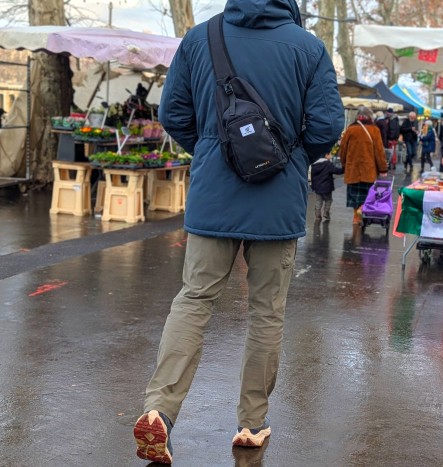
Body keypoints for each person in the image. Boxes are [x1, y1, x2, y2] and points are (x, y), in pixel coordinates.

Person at [134, 0, 344, 462]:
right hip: (278, 197)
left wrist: (216, 148)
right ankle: (252, 422)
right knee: (266, 310)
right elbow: (328, 124)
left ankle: (160, 411)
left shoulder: (199, 38)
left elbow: (174, 114)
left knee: (194, 299)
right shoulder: (308, 48)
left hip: (214, 195)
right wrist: (287, 155)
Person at [339, 106, 389, 225]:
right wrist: (383, 168)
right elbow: (379, 151)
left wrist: (344, 164)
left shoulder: (350, 130)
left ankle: (356, 216)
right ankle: (363, 213)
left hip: (353, 170)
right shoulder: (374, 130)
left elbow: (343, 150)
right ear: (370, 116)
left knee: (354, 195)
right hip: (369, 170)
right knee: (367, 195)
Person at [310, 151, 344, 221]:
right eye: (330, 154)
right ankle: (326, 212)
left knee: (318, 201)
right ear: (326, 155)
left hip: (318, 188)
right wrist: (344, 168)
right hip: (327, 187)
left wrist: (313, 186)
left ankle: (317, 215)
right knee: (328, 200)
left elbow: (312, 177)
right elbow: (336, 171)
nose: (331, 155)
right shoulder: (328, 164)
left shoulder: (314, 165)